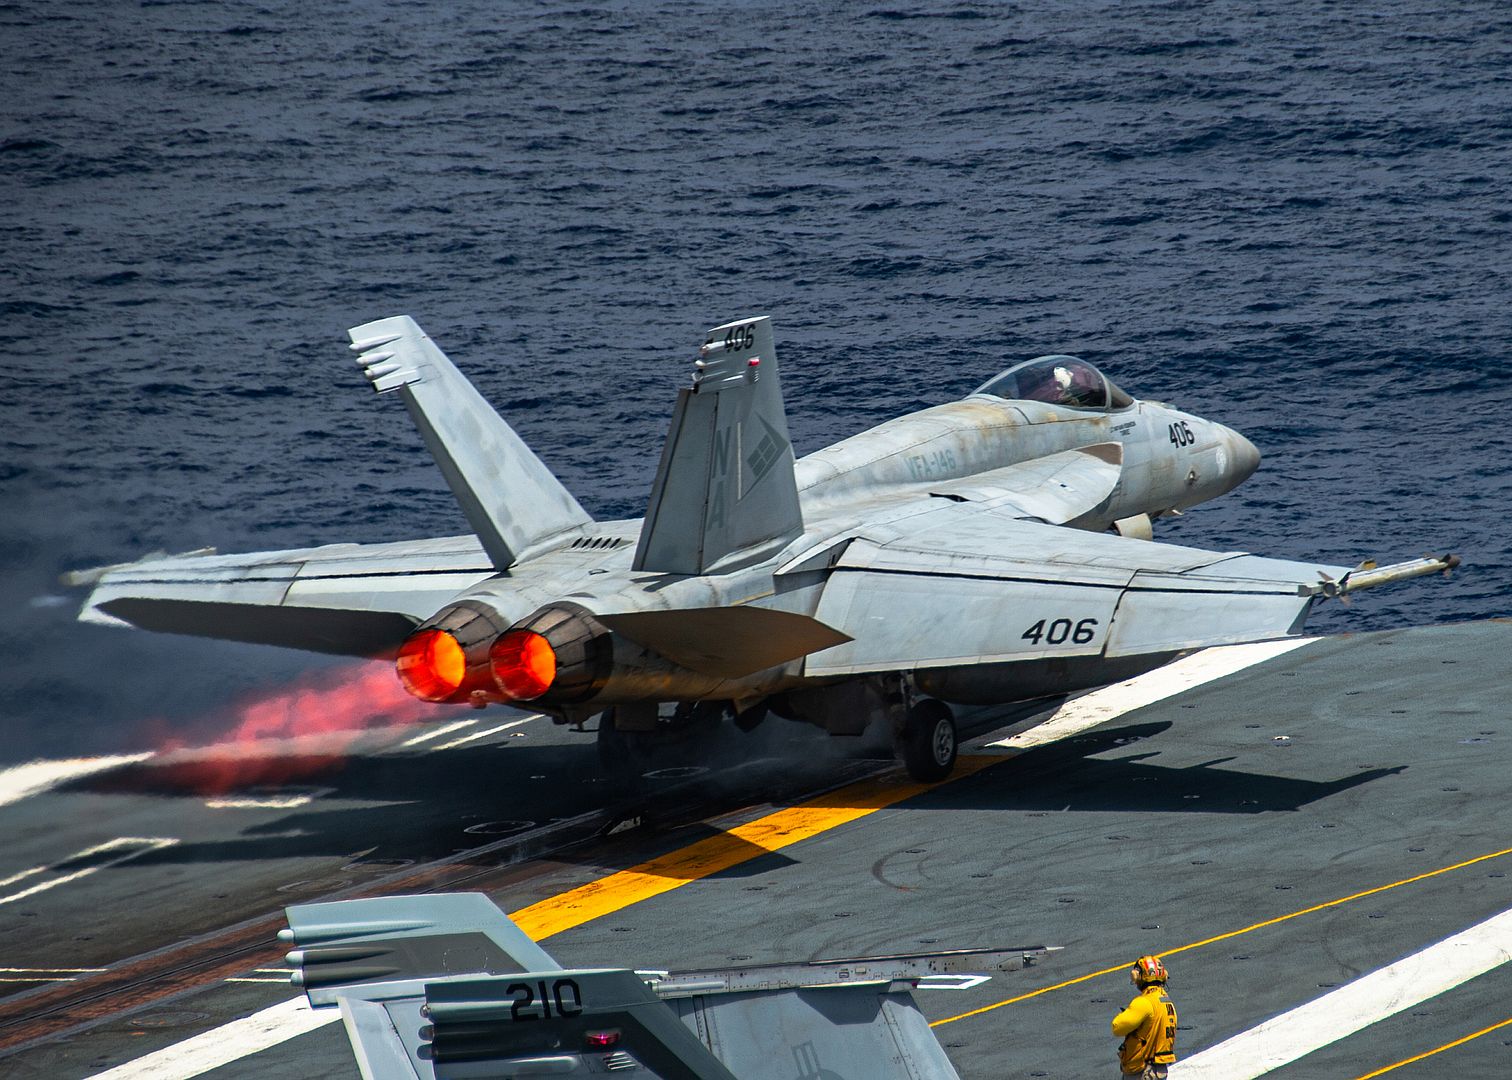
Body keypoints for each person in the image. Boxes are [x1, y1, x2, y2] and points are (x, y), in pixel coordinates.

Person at [1112, 955, 1177, 1078]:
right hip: (1159, 1069)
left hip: (1143, 1070)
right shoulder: (1166, 1001)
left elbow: (1117, 1027)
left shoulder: (1144, 1002)